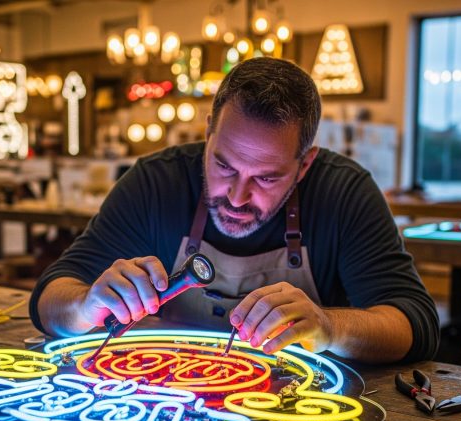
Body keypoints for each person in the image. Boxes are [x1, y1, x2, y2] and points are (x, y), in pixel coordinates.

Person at [31, 57, 438, 364]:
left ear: (305, 164)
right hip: (163, 394)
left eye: (266, 178)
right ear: (209, 131)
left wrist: (331, 328)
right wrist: (86, 305)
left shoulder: (344, 192)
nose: (238, 196)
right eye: (223, 165)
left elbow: (414, 323)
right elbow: (49, 299)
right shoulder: (156, 182)